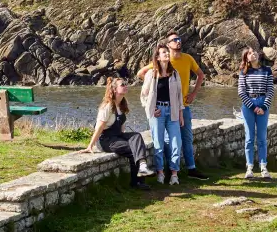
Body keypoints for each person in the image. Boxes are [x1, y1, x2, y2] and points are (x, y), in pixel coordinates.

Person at [137, 32, 207, 180]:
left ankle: (191, 169)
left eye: (179, 39)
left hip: (181, 106)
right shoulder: (162, 63)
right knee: (166, 141)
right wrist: (154, 89)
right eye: (174, 40)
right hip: (162, 108)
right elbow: (141, 73)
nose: (178, 41)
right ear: (168, 45)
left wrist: (194, 93)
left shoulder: (187, 58)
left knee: (185, 138)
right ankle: (168, 171)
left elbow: (201, 75)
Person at [84, 77, 155, 190]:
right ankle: (137, 183)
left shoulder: (122, 105)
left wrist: (127, 138)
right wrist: (90, 145)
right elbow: (99, 128)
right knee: (133, 150)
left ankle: (142, 167)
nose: (125, 86)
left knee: (136, 136)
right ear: (115, 89)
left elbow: (121, 127)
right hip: (106, 141)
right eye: (122, 84)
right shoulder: (107, 106)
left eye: (126, 84)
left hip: (117, 137)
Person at [140, 42, 184, 185]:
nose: (166, 54)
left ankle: (174, 174)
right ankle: (160, 172)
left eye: (167, 52)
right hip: (157, 112)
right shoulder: (151, 74)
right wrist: (151, 109)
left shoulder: (175, 74)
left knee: (176, 143)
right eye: (163, 52)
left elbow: (179, 96)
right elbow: (143, 95)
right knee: (158, 144)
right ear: (157, 57)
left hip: (172, 111)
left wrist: (181, 114)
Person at [237, 47, 274, 179]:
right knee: (249, 138)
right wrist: (253, 107)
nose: (253, 54)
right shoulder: (243, 72)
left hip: (263, 102)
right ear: (246, 58)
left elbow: (270, 90)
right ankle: (250, 168)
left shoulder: (267, 70)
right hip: (249, 105)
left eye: (254, 52)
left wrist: (264, 106)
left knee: (262, 138)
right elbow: (241, 92)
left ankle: (263, 167)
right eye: (250, 53)